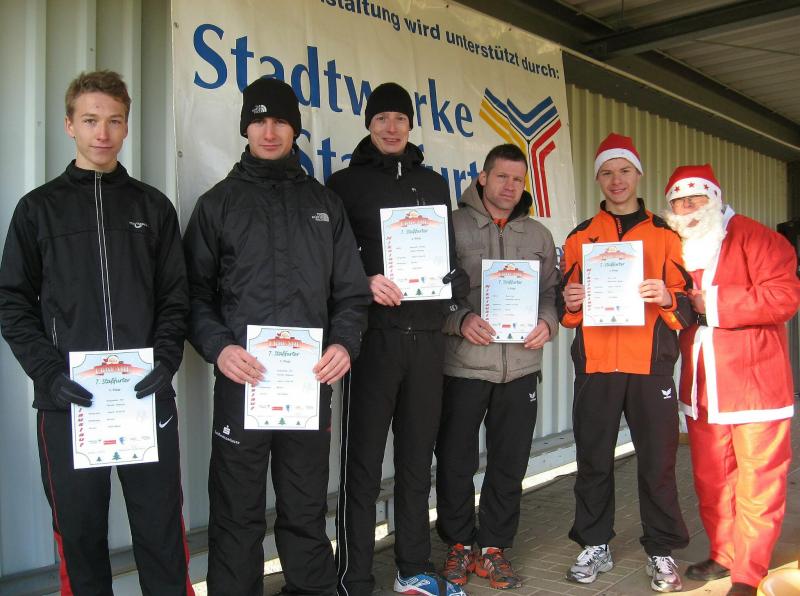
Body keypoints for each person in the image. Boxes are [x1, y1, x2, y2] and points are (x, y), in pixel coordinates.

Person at [0, 70, 193, 595]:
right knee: (80, 537)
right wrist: (48, 373)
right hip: (69, 402)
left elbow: (176, 298)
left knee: (160, 532)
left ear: (127, 126)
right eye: (90, 120)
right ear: (69, 125)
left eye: (114, 121)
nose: (102, 133)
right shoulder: (38, 210)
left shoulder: (152, 207)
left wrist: (166, 361)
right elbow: (12, 301)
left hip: (145, 398)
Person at [183, 77, 371, 596]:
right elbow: (191, 295)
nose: (270, 131)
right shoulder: (218, 204)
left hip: (308, 385)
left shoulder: (324, 205)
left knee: (305, 505)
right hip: (243, 382)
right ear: (245, 128)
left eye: (281, 121)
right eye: (260, 120)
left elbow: (352, 295)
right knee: (236, 509)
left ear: (295, 129)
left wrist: (343, 344)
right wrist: (220, 348)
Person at [327, 82, 468, 596]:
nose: (391, 128)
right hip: (373, 341)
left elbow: (446, 255)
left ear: (411, 125)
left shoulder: (433, 184)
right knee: (362, 465)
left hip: (427, 340)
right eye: (381, 118)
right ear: (368, 124)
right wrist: (363, 281)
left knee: (415, 462)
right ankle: (354, 578)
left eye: (400, 119)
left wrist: (453, 281)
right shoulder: (344, 184)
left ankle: (413, 568)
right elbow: (331, 259)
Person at [560, 133, 693, 593]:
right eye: (607, 172)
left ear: (638, 174)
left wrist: (666, 297)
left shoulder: (666, 234)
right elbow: (566, 307)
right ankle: (595, 543)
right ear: (597, 178)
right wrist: (571, 301)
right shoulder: (580, 236)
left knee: (657, 463)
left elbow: (686, 304)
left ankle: (661, 548)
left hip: (649, 365)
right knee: (593, 461)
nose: (616, 180)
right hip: (596, 365)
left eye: (624, 171)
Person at [663, 164, 800, 596]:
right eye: (679, 202)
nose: (688, 208)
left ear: (715, 199)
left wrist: (715, 302)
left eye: (695, 199)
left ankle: (748, 570)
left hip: (756, 385)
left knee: (759, 482)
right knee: (713, 479)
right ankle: (723, 553)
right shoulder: (675, 247)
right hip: (703, 387)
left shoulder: (759, 239)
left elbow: (785, 297)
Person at [435, 144, 560, 590]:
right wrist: (459, 319)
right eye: (502, 176)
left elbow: (551, 292)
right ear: (483, 178)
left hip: (521, 367)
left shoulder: (539, 235)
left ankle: (493, 548)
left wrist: (547, 323)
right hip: (464, 366)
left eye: (518, 179)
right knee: (455, 460)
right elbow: (432, 289)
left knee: (509, 462)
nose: (510, 186)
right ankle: (458, 544)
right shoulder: (451, 226)